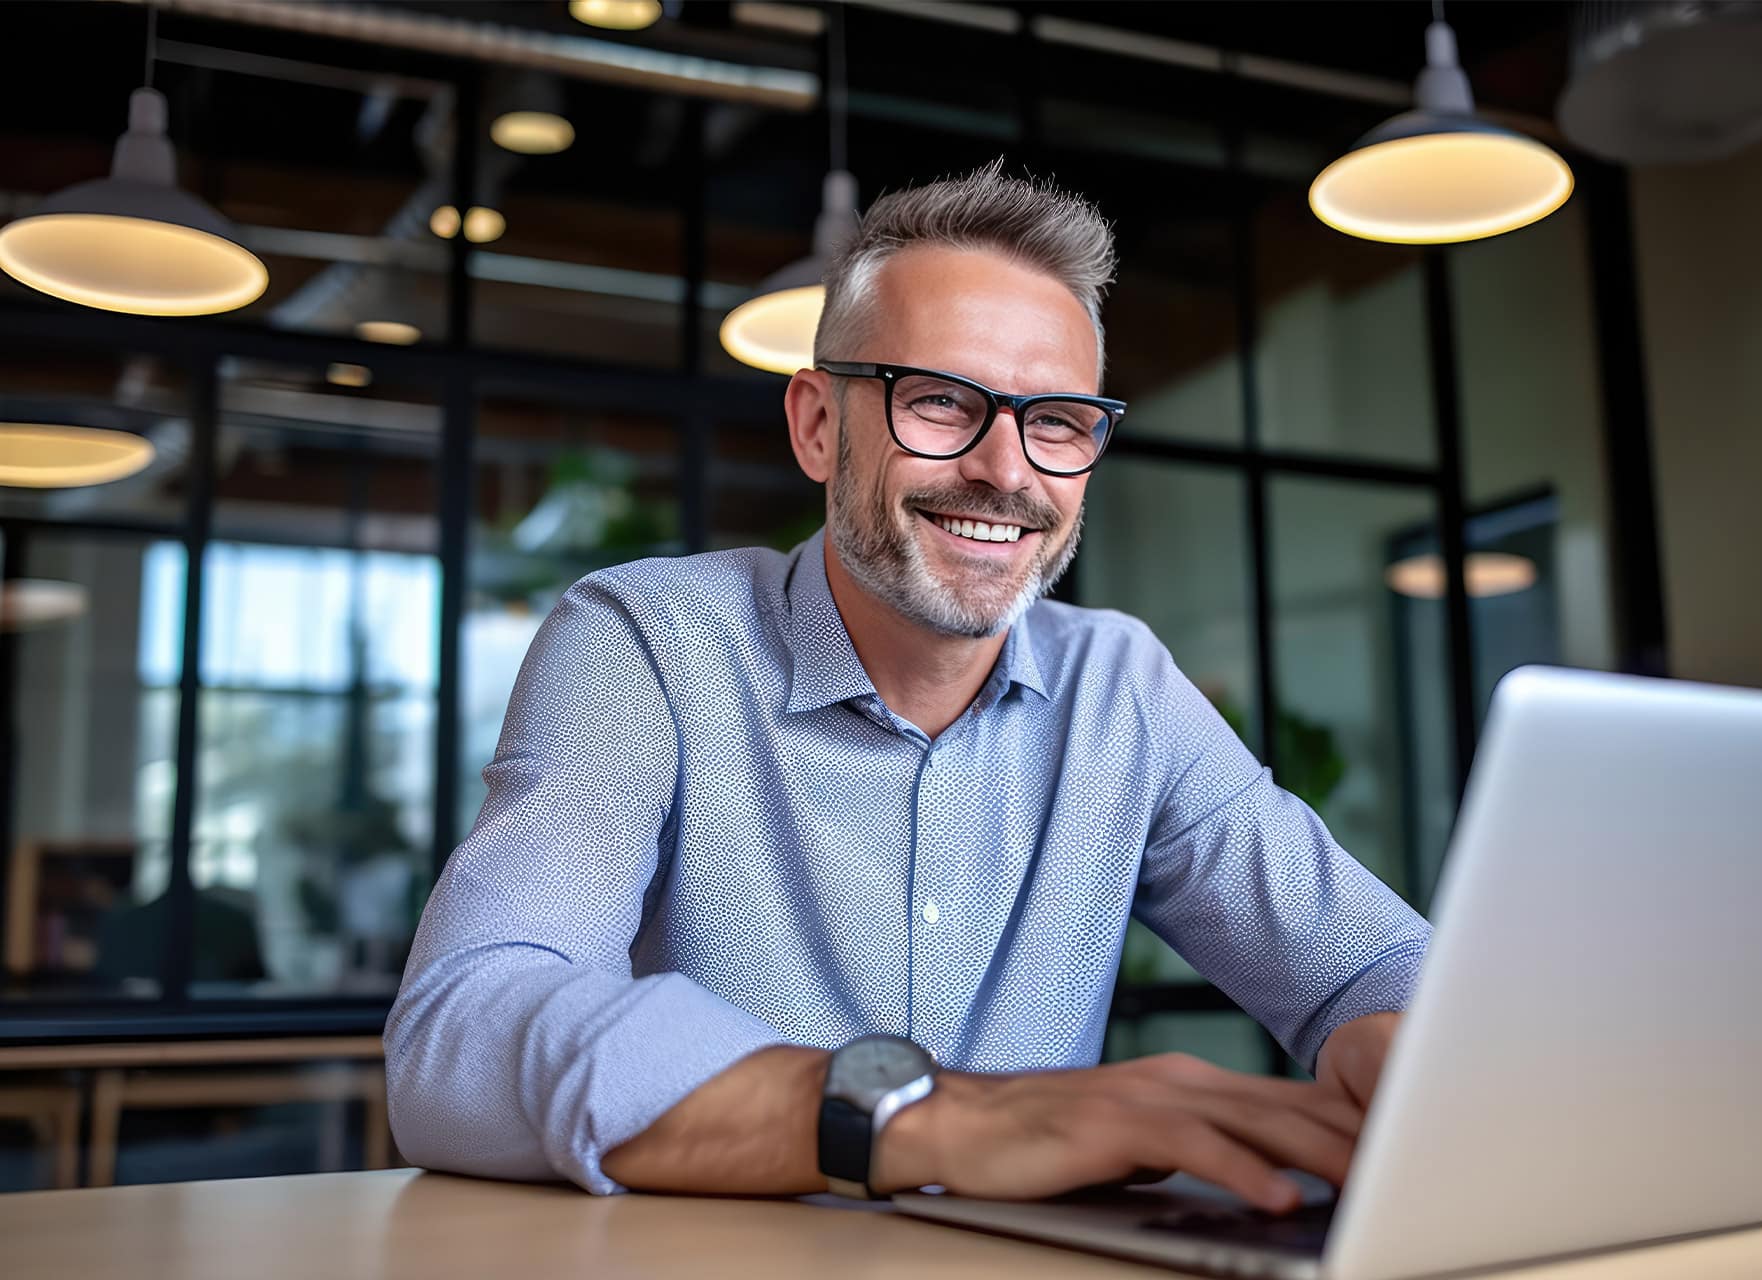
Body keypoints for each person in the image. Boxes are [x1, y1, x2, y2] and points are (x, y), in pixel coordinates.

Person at [385, 160, 1430, 1214]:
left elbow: (1373, 967)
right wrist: (933, 1116)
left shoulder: (1122, 687)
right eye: (939, 401)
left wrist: (1411, 1037)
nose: (1008, 471)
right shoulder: (649, 642)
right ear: (818, 427)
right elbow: (460, 1035)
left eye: (1058, 421)